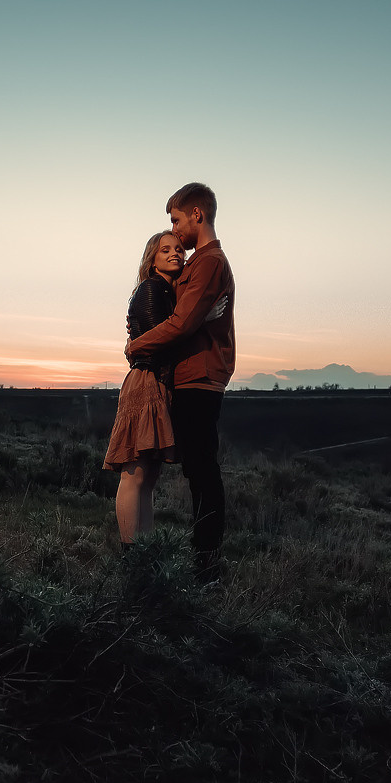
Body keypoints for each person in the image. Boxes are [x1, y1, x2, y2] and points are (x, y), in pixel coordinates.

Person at [125, 183, 235, 582]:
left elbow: (180, 323)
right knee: (195, 470)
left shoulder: (207, 263)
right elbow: (173, 315)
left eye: (176, 220)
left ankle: (206, 564)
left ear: (196, 215)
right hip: (185, 377)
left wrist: (136, 343)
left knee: (202, 470)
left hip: (199, 378)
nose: (175, 232)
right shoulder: (194, 266)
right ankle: (200, 560)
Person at [103, 231, 226, 550]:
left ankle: (143, 552)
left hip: (156, 383)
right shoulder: (151, 290)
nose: (175, 254)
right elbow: (164, 340)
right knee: (135, 475)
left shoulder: (167, 294)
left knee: (147, 476)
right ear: (152, 259)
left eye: (178, 250)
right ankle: (133, 555)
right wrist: (203, 319)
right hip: (145, 381)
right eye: (165, 250)